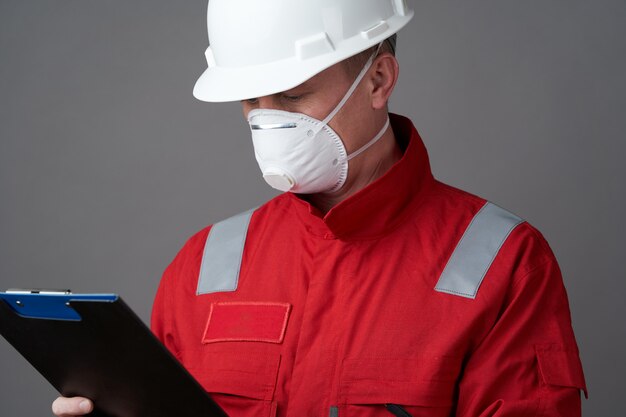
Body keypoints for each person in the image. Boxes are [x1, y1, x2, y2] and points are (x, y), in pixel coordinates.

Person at [52, 0, 587, 416]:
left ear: (379, 80)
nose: (265, 122)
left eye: (289, 95)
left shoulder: (503, 264)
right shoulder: (203, 267)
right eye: (250, 99)